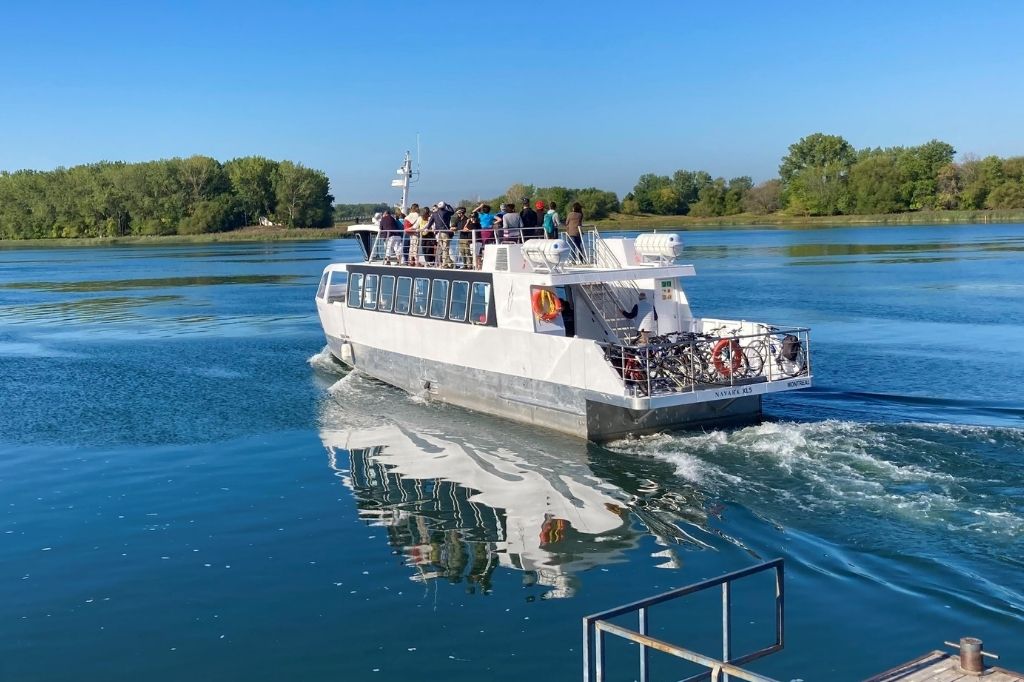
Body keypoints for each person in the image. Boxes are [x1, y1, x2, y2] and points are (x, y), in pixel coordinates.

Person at [427, 201, 455, 267]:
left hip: (437, 234)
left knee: (442, 248)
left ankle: (445, 262)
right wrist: (448, 205)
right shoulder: (446, 212)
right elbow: (452, 212)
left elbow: (430, 222)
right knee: (445, 248)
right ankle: (444, 263)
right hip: (445, 232)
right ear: (444, 206)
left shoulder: (434, 214)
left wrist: (427, 228)